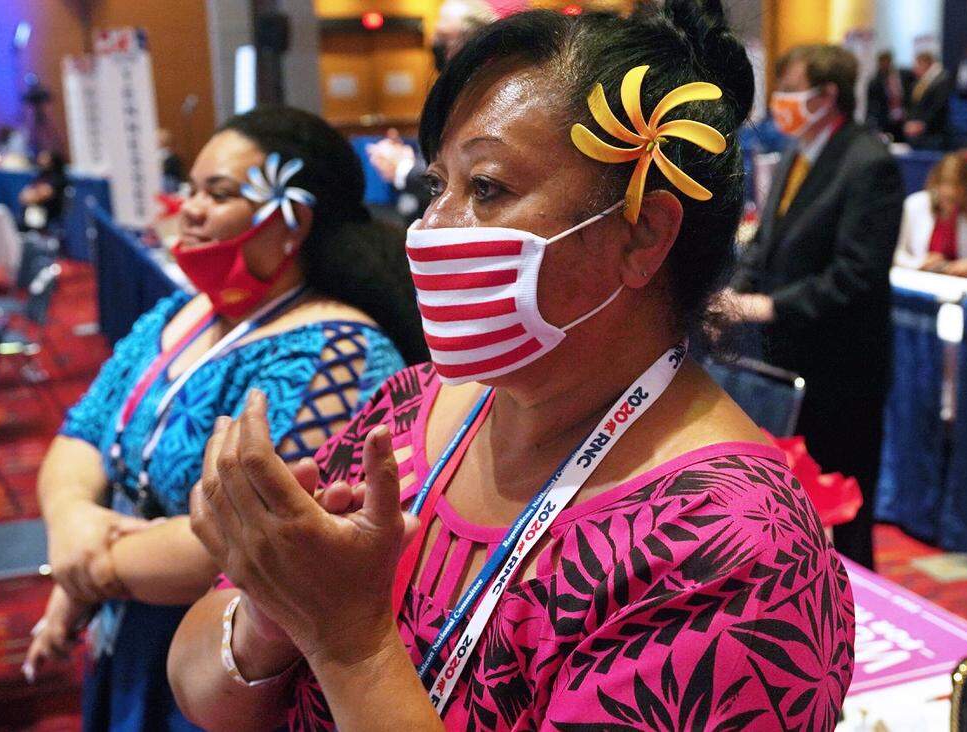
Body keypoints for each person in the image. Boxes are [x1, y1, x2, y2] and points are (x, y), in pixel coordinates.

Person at [168, 3, 856, 730]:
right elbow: (198, 682)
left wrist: (348, 642)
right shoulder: (411, 408)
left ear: (643, 233)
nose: (432, 228)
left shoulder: (734, 551)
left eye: (486, 189)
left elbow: (342, 641)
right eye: (438, 187)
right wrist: (272, 620)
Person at [24, 107, 427, 731]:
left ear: (292, 219)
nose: (189, 209)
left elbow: (261, 535)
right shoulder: (179, 314)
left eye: (218, 193)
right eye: (189, 188)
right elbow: (84, 428)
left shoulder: (337, 350)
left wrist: (93, 566)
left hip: (227, 642)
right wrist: (74, 524)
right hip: (128, 614)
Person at [727, 44, 904, 569]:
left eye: (791, 89)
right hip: (783, 363)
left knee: (842, 511)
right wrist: (733, 295)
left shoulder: (869, 162)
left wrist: (768, 306)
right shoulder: (797, 153)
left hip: (841, 368)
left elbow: (857, 276)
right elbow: (763, 245)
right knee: (787, 507)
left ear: (827, 96)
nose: (779, 101)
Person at [366, 0, 499, 224]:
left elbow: (479, 177)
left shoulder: (493, 94)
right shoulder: (454, 91)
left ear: (476, 43)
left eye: (445, 39)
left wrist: (404, 168)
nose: (436, 47)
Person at [894, 152, 967, 277]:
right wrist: (919, 263)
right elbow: (895, 253)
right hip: (923, 281)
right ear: (935, 184)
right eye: (944, 186)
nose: (949, 192)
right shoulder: (914, 204)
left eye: (956, 189)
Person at [905, 50, 952, 150]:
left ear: (925, 64)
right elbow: (914, 104)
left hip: (934, 132)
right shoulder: (920, 81)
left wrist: (922, 124)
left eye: (917, 65)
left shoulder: (941, 80)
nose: (914, 68)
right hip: (917, 131)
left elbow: (938, 107)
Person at [866, 50, 912, 141]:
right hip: (886, 122)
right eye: (882, 63)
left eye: (887, 62)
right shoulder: (875, 82)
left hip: (904, 120)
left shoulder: (904, 75)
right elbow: (871, 106)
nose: (884, 65)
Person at [19, 149, 68, 232]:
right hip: (33, 212)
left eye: (44, 158)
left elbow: (43, 194)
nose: (40, 160)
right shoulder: (41, 175)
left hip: (48, 213)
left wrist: (34, 195)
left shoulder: (58, 178)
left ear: (52, 161)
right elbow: (24, 196)